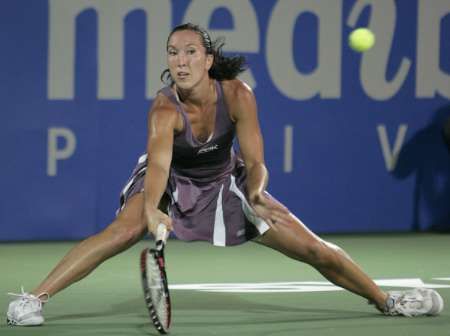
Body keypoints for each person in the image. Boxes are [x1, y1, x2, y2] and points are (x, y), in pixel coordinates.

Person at [7, 23, 443, 326]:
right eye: (173, 53)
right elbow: (159, 165)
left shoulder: (238, 95)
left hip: (224, 182)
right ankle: (32, 299)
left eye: (190, 52)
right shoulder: (163, 110)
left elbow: (255, 161)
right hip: (173, 180)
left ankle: (387, 301)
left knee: (311, 247)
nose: (180, 61)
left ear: (208, 59)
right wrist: (155, 211)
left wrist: (255, 190)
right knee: (123, 230)